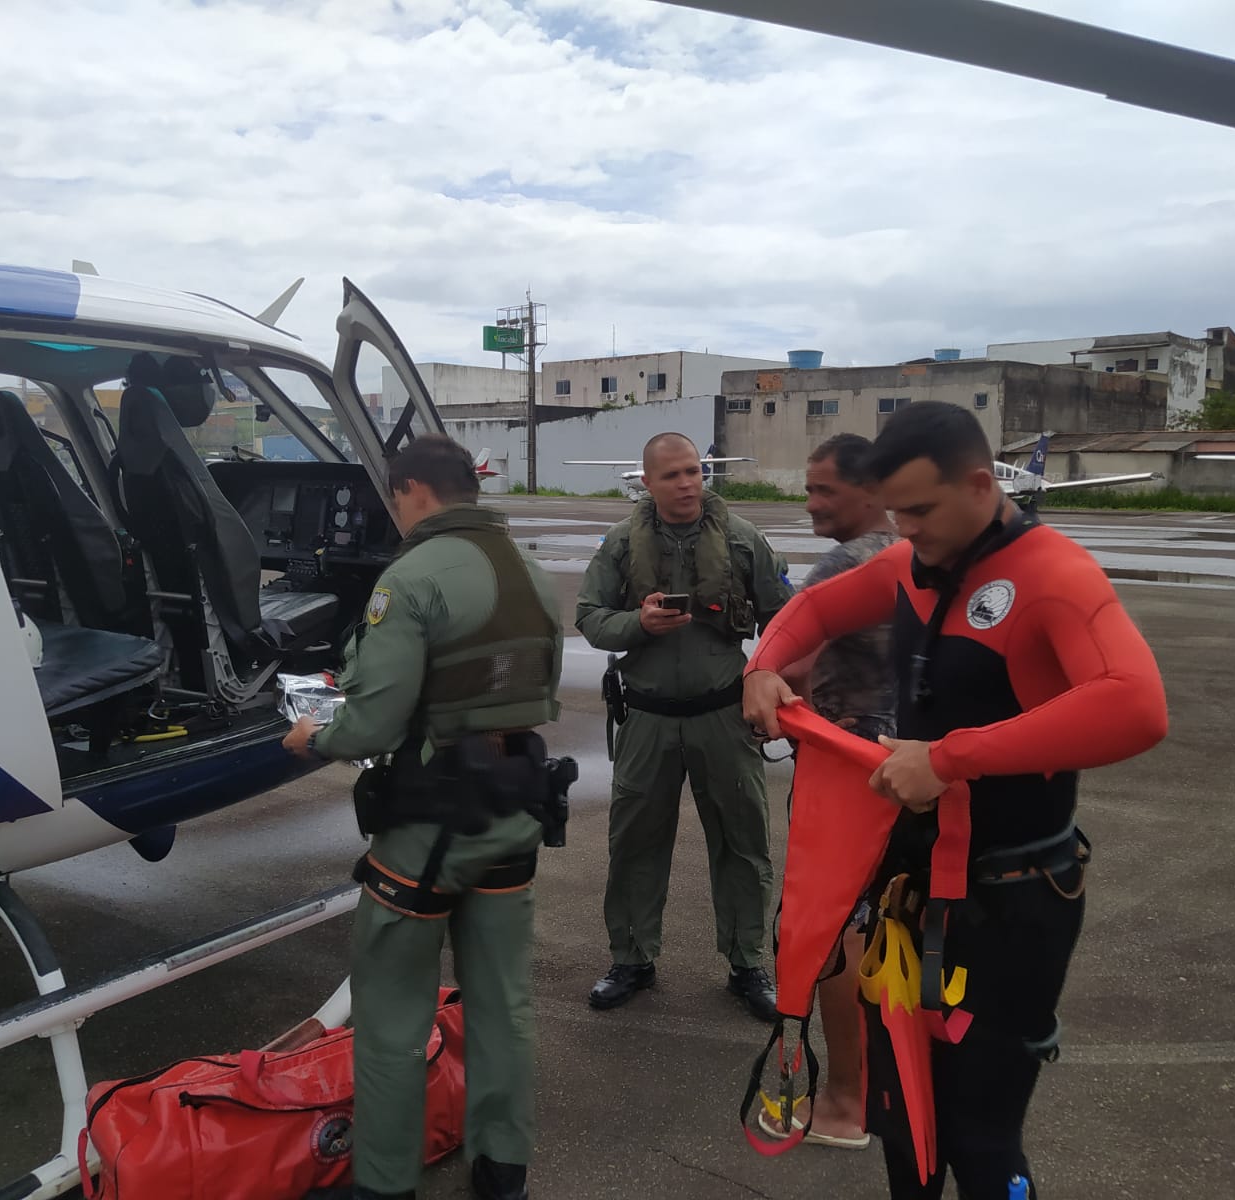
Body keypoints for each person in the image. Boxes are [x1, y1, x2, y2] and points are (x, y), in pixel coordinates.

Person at [742, 402, 1167, 1198]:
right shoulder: (916, 562)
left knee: (979, 1138)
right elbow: (819, 609)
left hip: (1011, 902)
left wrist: (949, 759)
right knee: (903, 1123)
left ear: (980, 485)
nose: (906, 529)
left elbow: (1137, 706)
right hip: (914, 895)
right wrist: (766, 663)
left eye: (922, 509)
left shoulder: (1053, 576)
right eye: (897, 511)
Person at [284, 434, 569, 1200]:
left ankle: (383, 1182)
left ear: (409, 490)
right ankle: (502, 1172)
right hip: (512, 813)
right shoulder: (532, 573)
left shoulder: (407, 580)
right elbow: (534, 694)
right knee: (503, 1006)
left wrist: (317, 734)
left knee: (391, 1018)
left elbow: (373, 727)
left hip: (424, 831)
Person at [576, 431, 792, 1018]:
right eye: (672, 475)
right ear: (646, 482)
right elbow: (590, 617)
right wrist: (638, 625)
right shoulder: (622, 543)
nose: (687, 483)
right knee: (635, 844)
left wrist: (771, 684)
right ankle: (632, 958)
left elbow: (786, 623)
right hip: (646, 718)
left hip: (723, 715)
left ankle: (748, 964)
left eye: (694, 471)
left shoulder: (744, 541)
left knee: (744, 843)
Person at [758, 433, 896, 1151]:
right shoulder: (910, 553)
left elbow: (798, 660)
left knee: (836, 927)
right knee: (886, 928)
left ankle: (845, 1102)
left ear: (871, 491)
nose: (810, 505)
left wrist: (766, 700)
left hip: (848, 770)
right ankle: (884, 1083)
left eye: (824, 492)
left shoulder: (847, 563)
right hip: (905, 762)